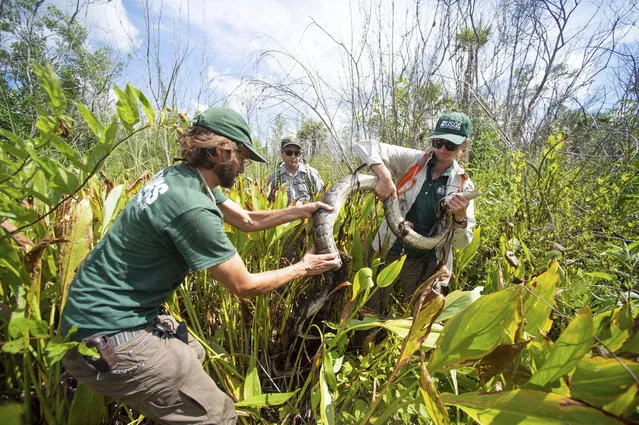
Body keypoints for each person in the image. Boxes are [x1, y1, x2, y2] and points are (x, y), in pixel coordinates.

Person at [60, 107, 340, 425]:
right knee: (220, 416)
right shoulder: (191, 206)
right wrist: (302, 267)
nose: (244, 167)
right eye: (243, 156)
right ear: (222, 151)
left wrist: (302, 210)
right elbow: (243, 286)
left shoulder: (179, 177)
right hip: (109, 336)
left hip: (93, 317)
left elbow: (246, 220)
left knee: (194, 352)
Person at [355, 112, 476, 312]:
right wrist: (384, 176)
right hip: (389, 250)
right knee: (371, 307)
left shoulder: (463, 185)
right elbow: (365, 145)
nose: (442, 149)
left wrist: (460, 217)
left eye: (451, 145)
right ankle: (365, 341)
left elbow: (462, 243)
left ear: (463, 146)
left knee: (425, 317)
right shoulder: (413, 160)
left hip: (426, 261)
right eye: (438, 142)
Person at [267, 135, 324, 205]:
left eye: (297, 153)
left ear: (300, 154)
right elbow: (267, 203)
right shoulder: (274, 177)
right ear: (282, 153)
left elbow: (322, 198)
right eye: (289, 152)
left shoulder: (311, 174)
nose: (293, 156)